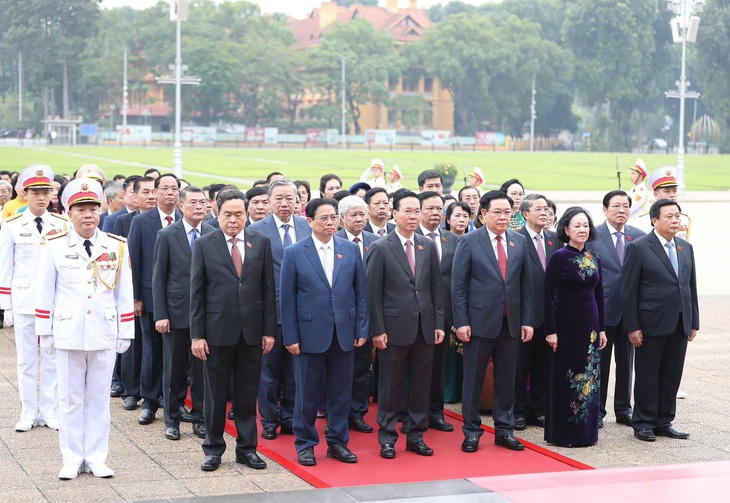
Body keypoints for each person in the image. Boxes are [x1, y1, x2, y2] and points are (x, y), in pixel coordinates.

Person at [35, 178, 134, 479]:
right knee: (70, 398)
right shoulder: (54, 246)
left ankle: (97, 456)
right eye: (81, 209)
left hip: (103, 331)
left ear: (100, 210)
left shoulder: (115, 246)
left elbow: (124, 292)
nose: (88, 214)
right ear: (68, 212)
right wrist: (45, 331)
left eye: (93, 208)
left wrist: (125, 330)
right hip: (68, 331)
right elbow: (45, 291)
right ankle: (71, 456)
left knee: (100, 398)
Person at [190, 189, 277, 471]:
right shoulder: (205, 244)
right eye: (227, 214)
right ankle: (213, 449)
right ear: (218, 213)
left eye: (239, 214)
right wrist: (197, 335)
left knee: (247, 393)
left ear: (246, 214)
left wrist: (269, 331)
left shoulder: (260, 242)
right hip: (216, 332)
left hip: (251, 332)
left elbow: (267, 288)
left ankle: (247, 449)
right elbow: (197, 292)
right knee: (215, 395)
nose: (233, 219)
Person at [281, 198, 368, 466]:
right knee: (306, 393)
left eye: (333, 218)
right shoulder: (295, 252)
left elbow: (360, 294)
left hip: (343, 332)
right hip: (309, 334)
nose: (330, 223)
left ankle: (338, 442)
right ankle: (305, 443)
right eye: (324, 218)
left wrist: (361, 327)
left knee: (341, 393)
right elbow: (287, 299)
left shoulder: (350, 250)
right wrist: (291, 337)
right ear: (309, 221)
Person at [452, 190, 533, 453]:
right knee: (473, 380)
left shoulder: (518, 242)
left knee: (507, 379)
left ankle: (504, 430)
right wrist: (461, 321)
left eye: (507, 212)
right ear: (484, 214)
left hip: (510, 323)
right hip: (478, 323)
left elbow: (526, 285)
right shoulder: (469, 241)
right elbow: (459, 286)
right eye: (497, 212)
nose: (503, 217)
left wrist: (527, 321)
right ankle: (472, 431)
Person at [367, 190, 444, 459]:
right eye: (407, 211)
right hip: (393, 328)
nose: (412, 216)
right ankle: (387, 438)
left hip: (424, 327)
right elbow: (373, 294)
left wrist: (438, 323)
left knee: (422, 385)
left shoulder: (427, 245)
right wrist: (377, 329)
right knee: (390, 387)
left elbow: (435, 288)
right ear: (394, 214)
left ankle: (416, 435)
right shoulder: (380, 247)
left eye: (416, 211)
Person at [621, 199, 699, 442]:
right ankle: (643, 421)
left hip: (679, 322)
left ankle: (664, 420)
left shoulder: (685, 247)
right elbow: (628, 290)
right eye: (670, 216)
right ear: (654, 220)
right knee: (647, 374)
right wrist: (632, 326)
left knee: (671, 373)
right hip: (650, 323)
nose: (676, 220)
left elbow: (689, 286)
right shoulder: (640, 247)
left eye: (678, 216)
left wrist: (693, 320)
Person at [0, 164, 69, 432]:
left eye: (46, 192)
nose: (42, 197)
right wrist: (5, 306)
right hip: (25, 300)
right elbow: (5, 267)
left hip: (54, 302)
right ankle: (28, 411)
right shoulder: (12, 225)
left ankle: (49, 410)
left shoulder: (61, 224)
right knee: (26, 359)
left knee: (52, 356)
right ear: (24, 194)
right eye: (36, 192)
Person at [250, 180, 312, 439]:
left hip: (302, 311)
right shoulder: (256, 230)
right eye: (279, 198)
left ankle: (289, 417)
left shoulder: (306, 226)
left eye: (290, 198)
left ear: (298, 201)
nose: (285, 203)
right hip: (270, 310)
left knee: (295, 370)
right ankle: (269, 420)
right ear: (269, 200)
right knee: (269, 371)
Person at [152, 186, 212, 441]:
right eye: (194, 202)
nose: (199, 207)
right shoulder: (167, 234)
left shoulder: (213, 232)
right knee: (174, 369)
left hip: (206, 314)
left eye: (203, 203)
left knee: (201, 369)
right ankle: (172, 419)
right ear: (181, 205)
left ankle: (199, 417)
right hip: (176, 313)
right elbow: (158, 277)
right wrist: (161, 314)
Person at [544, 207, 607, 447]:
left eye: (585, 226)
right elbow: (548, 295)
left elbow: (599, 296)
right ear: (566, 230)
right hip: (565, 325)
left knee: (589, 376)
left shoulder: (594, 258)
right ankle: (564, 433)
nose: (582, 230)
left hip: (590, 326)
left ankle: (586, 433)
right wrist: (551, 330)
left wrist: (601, 329)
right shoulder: (558, 257)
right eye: (577, 226)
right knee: (566, 376)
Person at [586, 191, 645, 428]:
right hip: (602, 309)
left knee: (626, 363)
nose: (621, 210)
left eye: (625, 206)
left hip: (629, 312)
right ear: (604, 210)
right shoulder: (592, 236)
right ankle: (597, 410)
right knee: (599, 362)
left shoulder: (639, 237)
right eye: (616, 206)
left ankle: (623, 409)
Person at [128, 174, 182, 426]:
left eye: (174, 188)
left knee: (179, 355)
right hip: (150, 297)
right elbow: (135, 261)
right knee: (152, 350)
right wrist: (136, 297)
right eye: (165, 188)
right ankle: (149, 400)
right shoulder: (141, 221)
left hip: (181, 300)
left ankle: (176, 402)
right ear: (155, 192)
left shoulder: (186, 218)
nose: (169, 193)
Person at [514, 194, 562, 431]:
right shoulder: (516, 239)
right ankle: (518, 411)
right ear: (525, 214)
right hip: (525, 315)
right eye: (539, 209)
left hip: (550, 315)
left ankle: (539, 410)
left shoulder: (555, 240)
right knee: (520, 366)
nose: (545, 213)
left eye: (547, 209)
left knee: (544, 365)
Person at [415, 191, 459, 432]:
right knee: (414, 366)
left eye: (438, 209)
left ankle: (435, 412)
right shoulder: (408, 238)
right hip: (415, 313)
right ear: (419, 210)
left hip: (443, 314)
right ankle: (410, 413)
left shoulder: (452, 239)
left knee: (437, 366)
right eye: (429, 208)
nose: (434, 213)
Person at [336, 196, 378, 433]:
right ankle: (338, 413)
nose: (360, 219)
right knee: (338, 370)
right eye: (354, 215)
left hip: (365, 315)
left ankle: (357, 412)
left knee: (361, 368)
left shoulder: (375, 241)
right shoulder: (334, 240)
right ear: (342, 218)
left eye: (363, 214)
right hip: (339, 315)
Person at [627, 159, 653, 226]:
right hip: (631, 223)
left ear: (640, 177)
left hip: (638, 224)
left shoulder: (642, 192)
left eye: (633, 174)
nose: (631, 176)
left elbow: (630, 208)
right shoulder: (633, 189)